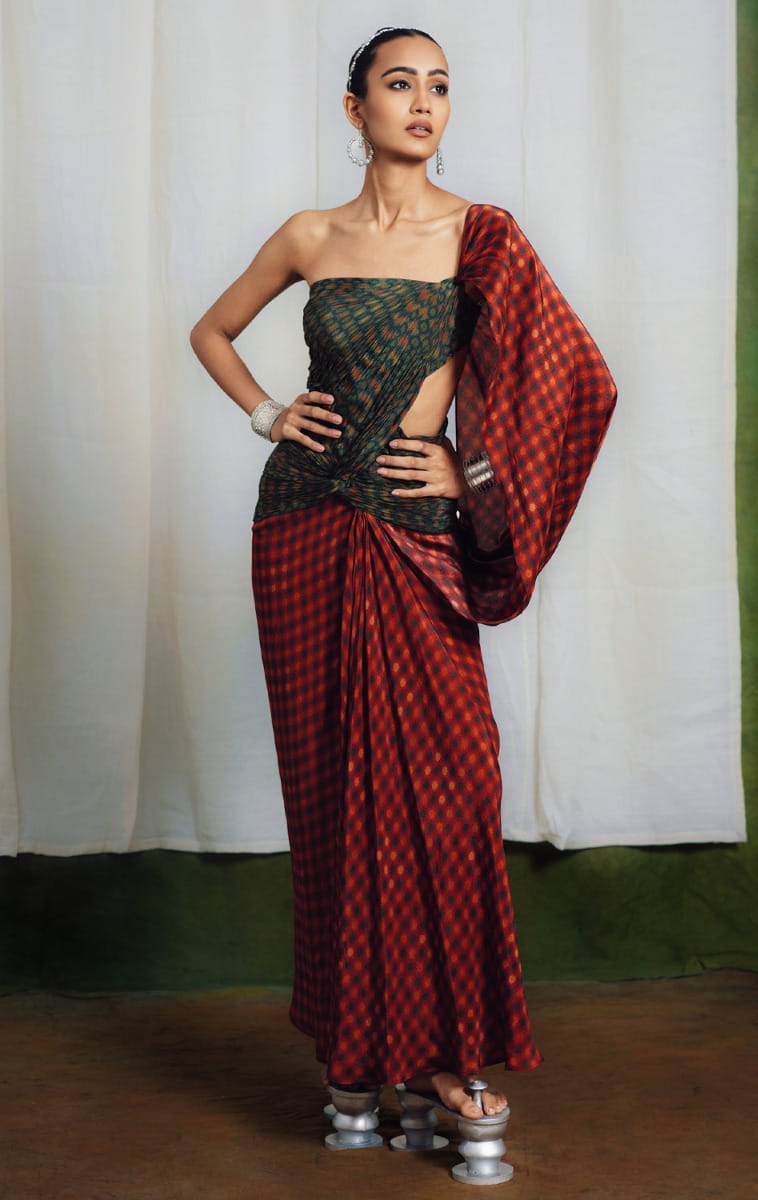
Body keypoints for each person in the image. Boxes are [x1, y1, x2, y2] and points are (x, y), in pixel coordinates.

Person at [191, 26, 616, 1128]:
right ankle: (356, 1053)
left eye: (439, 86)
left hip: (414, 531)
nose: (423, 103)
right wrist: (268, 413)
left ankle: (446, 1049)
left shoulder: (482, 238)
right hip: (302, 525)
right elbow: (213, 330)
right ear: (355, 109)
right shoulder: (309, 233)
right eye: (399, 84)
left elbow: (576, 385)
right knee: (331, 792)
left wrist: (470, 471)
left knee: (452, 787)